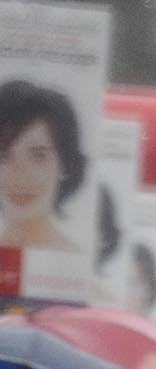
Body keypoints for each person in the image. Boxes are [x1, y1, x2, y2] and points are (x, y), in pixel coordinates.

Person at [0, 79, 87, 251]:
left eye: (38, 156)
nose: (20, 177)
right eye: (3, 156)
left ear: (64, 165)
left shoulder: (75, 260)